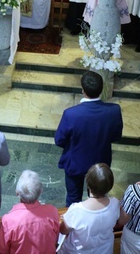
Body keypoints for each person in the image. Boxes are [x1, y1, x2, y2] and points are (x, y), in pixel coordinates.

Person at [55, 71, 123, 206]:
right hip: (100, 163)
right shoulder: (114, 110)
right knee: (99, 198)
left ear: (83, 90)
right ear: (101, 89)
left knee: (73, 199)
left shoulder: (71, 114)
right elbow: (116, 136)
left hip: (75, 163)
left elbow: (59, 140)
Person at [60, 163, 129, 253]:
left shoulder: (76, 210)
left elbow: (63, 231)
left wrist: (67, 219)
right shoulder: (115, 204)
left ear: (88, 183)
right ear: (110, 186)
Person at [0, 170, 59, 253]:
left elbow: (2, 249)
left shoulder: (8, 220)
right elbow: (55, 237)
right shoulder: (52, 212)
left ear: (17, 193)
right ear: (41, 191)